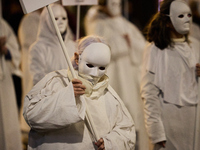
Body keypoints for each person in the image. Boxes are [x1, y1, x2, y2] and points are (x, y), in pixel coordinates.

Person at [23, 35, 136, 150]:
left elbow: (126, 131)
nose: (95, 74)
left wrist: (110, 143)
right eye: (90, 65)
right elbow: (31, 115)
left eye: (102, 68)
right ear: (77, 58)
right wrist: (67, 96)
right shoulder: (56, 81)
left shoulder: (109, 94)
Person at [84, 0, 148, 149]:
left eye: (118, 3)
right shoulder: (98, 23)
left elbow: (141, 46)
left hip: (130, 74)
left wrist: (129, 43)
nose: (115, 6)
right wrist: (122, 43)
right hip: (113, 72)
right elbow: (100, 47)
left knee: (133, 109)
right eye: (111, 3)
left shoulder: (126, 23)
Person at [141, 0, 200, 149]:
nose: (187, 19)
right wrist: (156, 131)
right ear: (167, 21)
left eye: (189, 15)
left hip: (194, 121)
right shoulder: (155, 49)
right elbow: (149, 93)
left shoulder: (196, 45)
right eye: (181, 15)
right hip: (169, 123)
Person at [29, 3, 75, 86]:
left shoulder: (73, 46)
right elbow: (38, 79)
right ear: (46, 20)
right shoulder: (38, 48)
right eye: (56, 18)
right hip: (52, 96)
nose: (61, 22)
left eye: (64, 18)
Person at [18, 8, 43, 149]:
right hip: (31, 64)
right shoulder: (29, 19)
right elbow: (30, 41)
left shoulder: (47, 16)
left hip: (42, 61)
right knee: (31, 91)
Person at [0, 18, 22, 150]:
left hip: (4, 81)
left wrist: (5, 50)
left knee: (7, 118)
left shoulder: (2, 24)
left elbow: (14, 49)